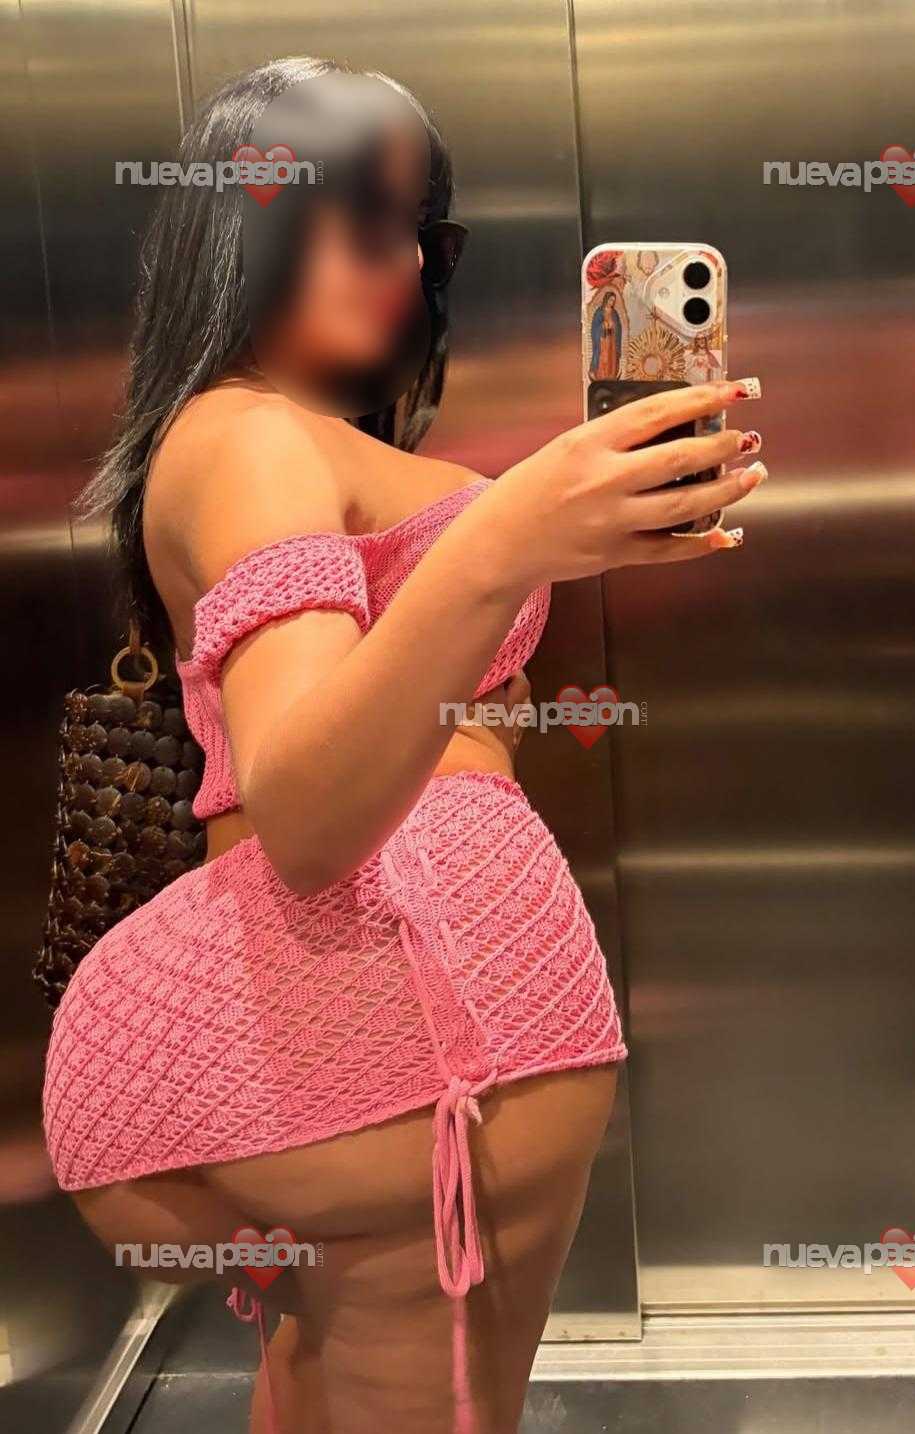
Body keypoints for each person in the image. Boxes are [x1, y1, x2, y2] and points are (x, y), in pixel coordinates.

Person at [41, 55, 766, 1434]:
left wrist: (542, 547)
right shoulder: (247, 438)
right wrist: (504, 543)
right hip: (401, 1058)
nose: (408, 260)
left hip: (414, 1055)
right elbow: (310, 813)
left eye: (427, 230)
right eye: (364, 216)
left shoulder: (291, 441)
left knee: (316, 1393)